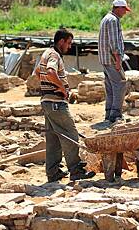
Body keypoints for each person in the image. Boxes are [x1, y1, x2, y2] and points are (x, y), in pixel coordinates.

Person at [37, 28, 95, 182]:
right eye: (68, 43)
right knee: (70, 135)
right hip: (56, 103)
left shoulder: (45, 53)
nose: (69, 47)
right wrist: (62, 88)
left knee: (54, 139)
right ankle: (75, 170)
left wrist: (47, 86)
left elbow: (38, 72)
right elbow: (50, 71)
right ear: (61, 41)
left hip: (47, 101)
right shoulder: (54, 56)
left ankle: (53, 171)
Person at [98, 0, 130, 122]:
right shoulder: (113, 20)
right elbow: (114, 42)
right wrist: (118, 60)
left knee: (110, 87)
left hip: (105, 59)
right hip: (112, 59)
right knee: (120, 84)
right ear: (119, 8)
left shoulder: (106, 18)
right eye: (124, 10)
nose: (125, 12)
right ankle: (115, 114)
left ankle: (109, 113)